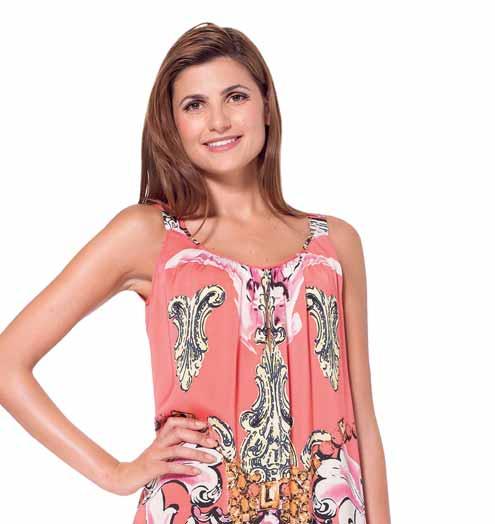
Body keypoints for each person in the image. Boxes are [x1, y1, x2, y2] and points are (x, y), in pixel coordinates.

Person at [0, 22, 391, 524]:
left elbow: (363, 424)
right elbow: (8, 362)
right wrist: (116, 473)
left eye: (235, 97)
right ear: (173, 124)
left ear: (266, 106)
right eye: (194, 105)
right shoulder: (149, 235)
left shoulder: (335, 244)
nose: (219, 121)